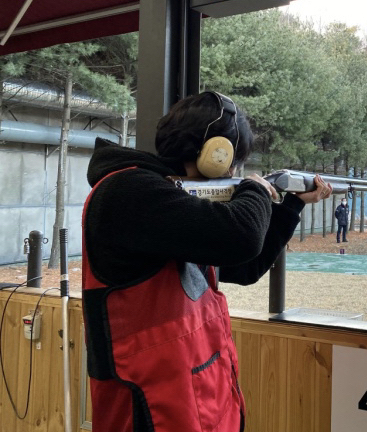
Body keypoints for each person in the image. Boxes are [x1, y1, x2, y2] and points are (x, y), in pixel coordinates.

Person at [81, 91, 332, 432]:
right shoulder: (128, 191)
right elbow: (240, 237)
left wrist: (291, 207)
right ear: (215, 153)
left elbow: (245, 267)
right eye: (232, 160)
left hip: (196, 400)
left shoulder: (168, 199)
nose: (232, 170)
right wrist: (256, 190)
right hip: (149, 409)